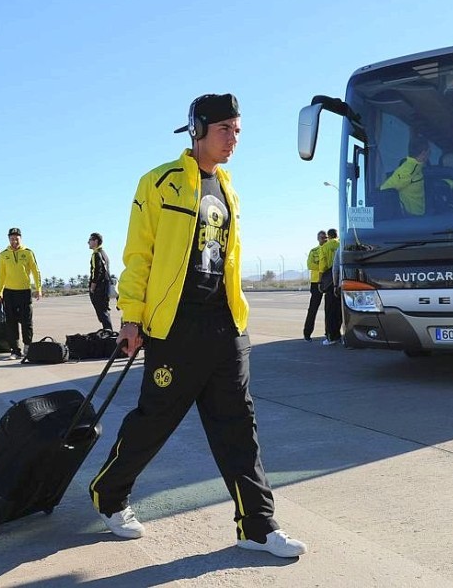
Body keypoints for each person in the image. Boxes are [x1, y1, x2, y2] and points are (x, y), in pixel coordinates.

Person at [88, 93, 307, 558]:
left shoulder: (228, 188)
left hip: (226, 325)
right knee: (156, 420)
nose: (234, 139)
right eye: (225, 129)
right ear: (198, 130)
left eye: (238, 130)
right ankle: (109, 496)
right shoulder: (160, 183)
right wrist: (131, 317)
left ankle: (257, 526)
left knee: (238, 427)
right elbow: (138, 256)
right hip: (176, 327)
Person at [0, 228, 42, 359]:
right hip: (9, 292)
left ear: (20, 238)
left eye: (16, 238)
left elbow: (35, 271)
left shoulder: (28, 252)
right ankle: (15, 350)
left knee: (27, 321)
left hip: (24, 291)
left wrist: (38, 288)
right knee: (11, 322)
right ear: (8, 239)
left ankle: (28, 346)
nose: (14, 241)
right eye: (11, 238)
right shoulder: (4, 254)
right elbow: (1, 275)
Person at [380, 134, 430, 216]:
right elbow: (385, 189)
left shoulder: (417, 166)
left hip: (420, 215)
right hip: (411, 217)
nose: (429, 155)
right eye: (429, 152)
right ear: (424, 153)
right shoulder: (408, 169)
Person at [302, 230, 328, 341]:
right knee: (313, 308)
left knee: (330, 309)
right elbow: (310, 264)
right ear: (318, 239)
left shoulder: (331, 249)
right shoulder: (314, 251)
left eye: (326, 237)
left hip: (329, 281)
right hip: (316, 282)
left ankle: (330, 333)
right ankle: (307, 333)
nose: (324, 239)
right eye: (322, 237)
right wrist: (323, 267)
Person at [319, 228, 342, 345]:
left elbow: (322, 266)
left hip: (330, 279)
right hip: (343, 278)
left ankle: (331, 336)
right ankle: (342, 335)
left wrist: (320, 281)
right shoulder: (342, 244)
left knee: (330, 310)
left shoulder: (325, 247)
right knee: (340, 309)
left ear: (329, 236)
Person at [88, 232, 113, 330]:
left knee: (102, 312)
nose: (88, 243)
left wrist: (93, 286)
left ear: (95, 241)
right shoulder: (103, 253)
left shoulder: (96, 254)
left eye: (90, 240)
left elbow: (96, 271)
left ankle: (108, 332)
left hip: (99, 288)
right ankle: (108, 330)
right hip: (104, 286)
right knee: (104, 311)